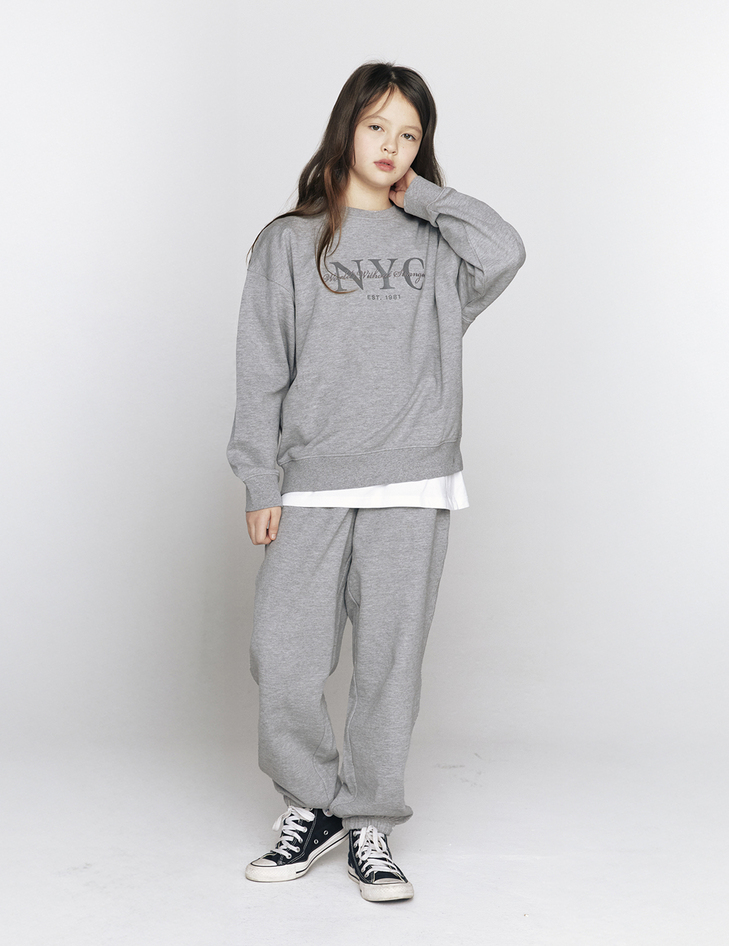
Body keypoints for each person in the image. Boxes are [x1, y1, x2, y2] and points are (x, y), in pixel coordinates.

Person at [227, 60, 525, 903]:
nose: (392, 145)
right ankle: (312, 804)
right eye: (377, 127)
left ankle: (370, 823)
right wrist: (259, 479)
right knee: (284, 657)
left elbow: (506, 250)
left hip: (414, 478)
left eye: (410, 134)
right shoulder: (289, 243)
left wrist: (422, 197)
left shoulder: (438, 245)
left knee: (389, 666)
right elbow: (261, 370)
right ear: (346, 128)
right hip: (312, 480)